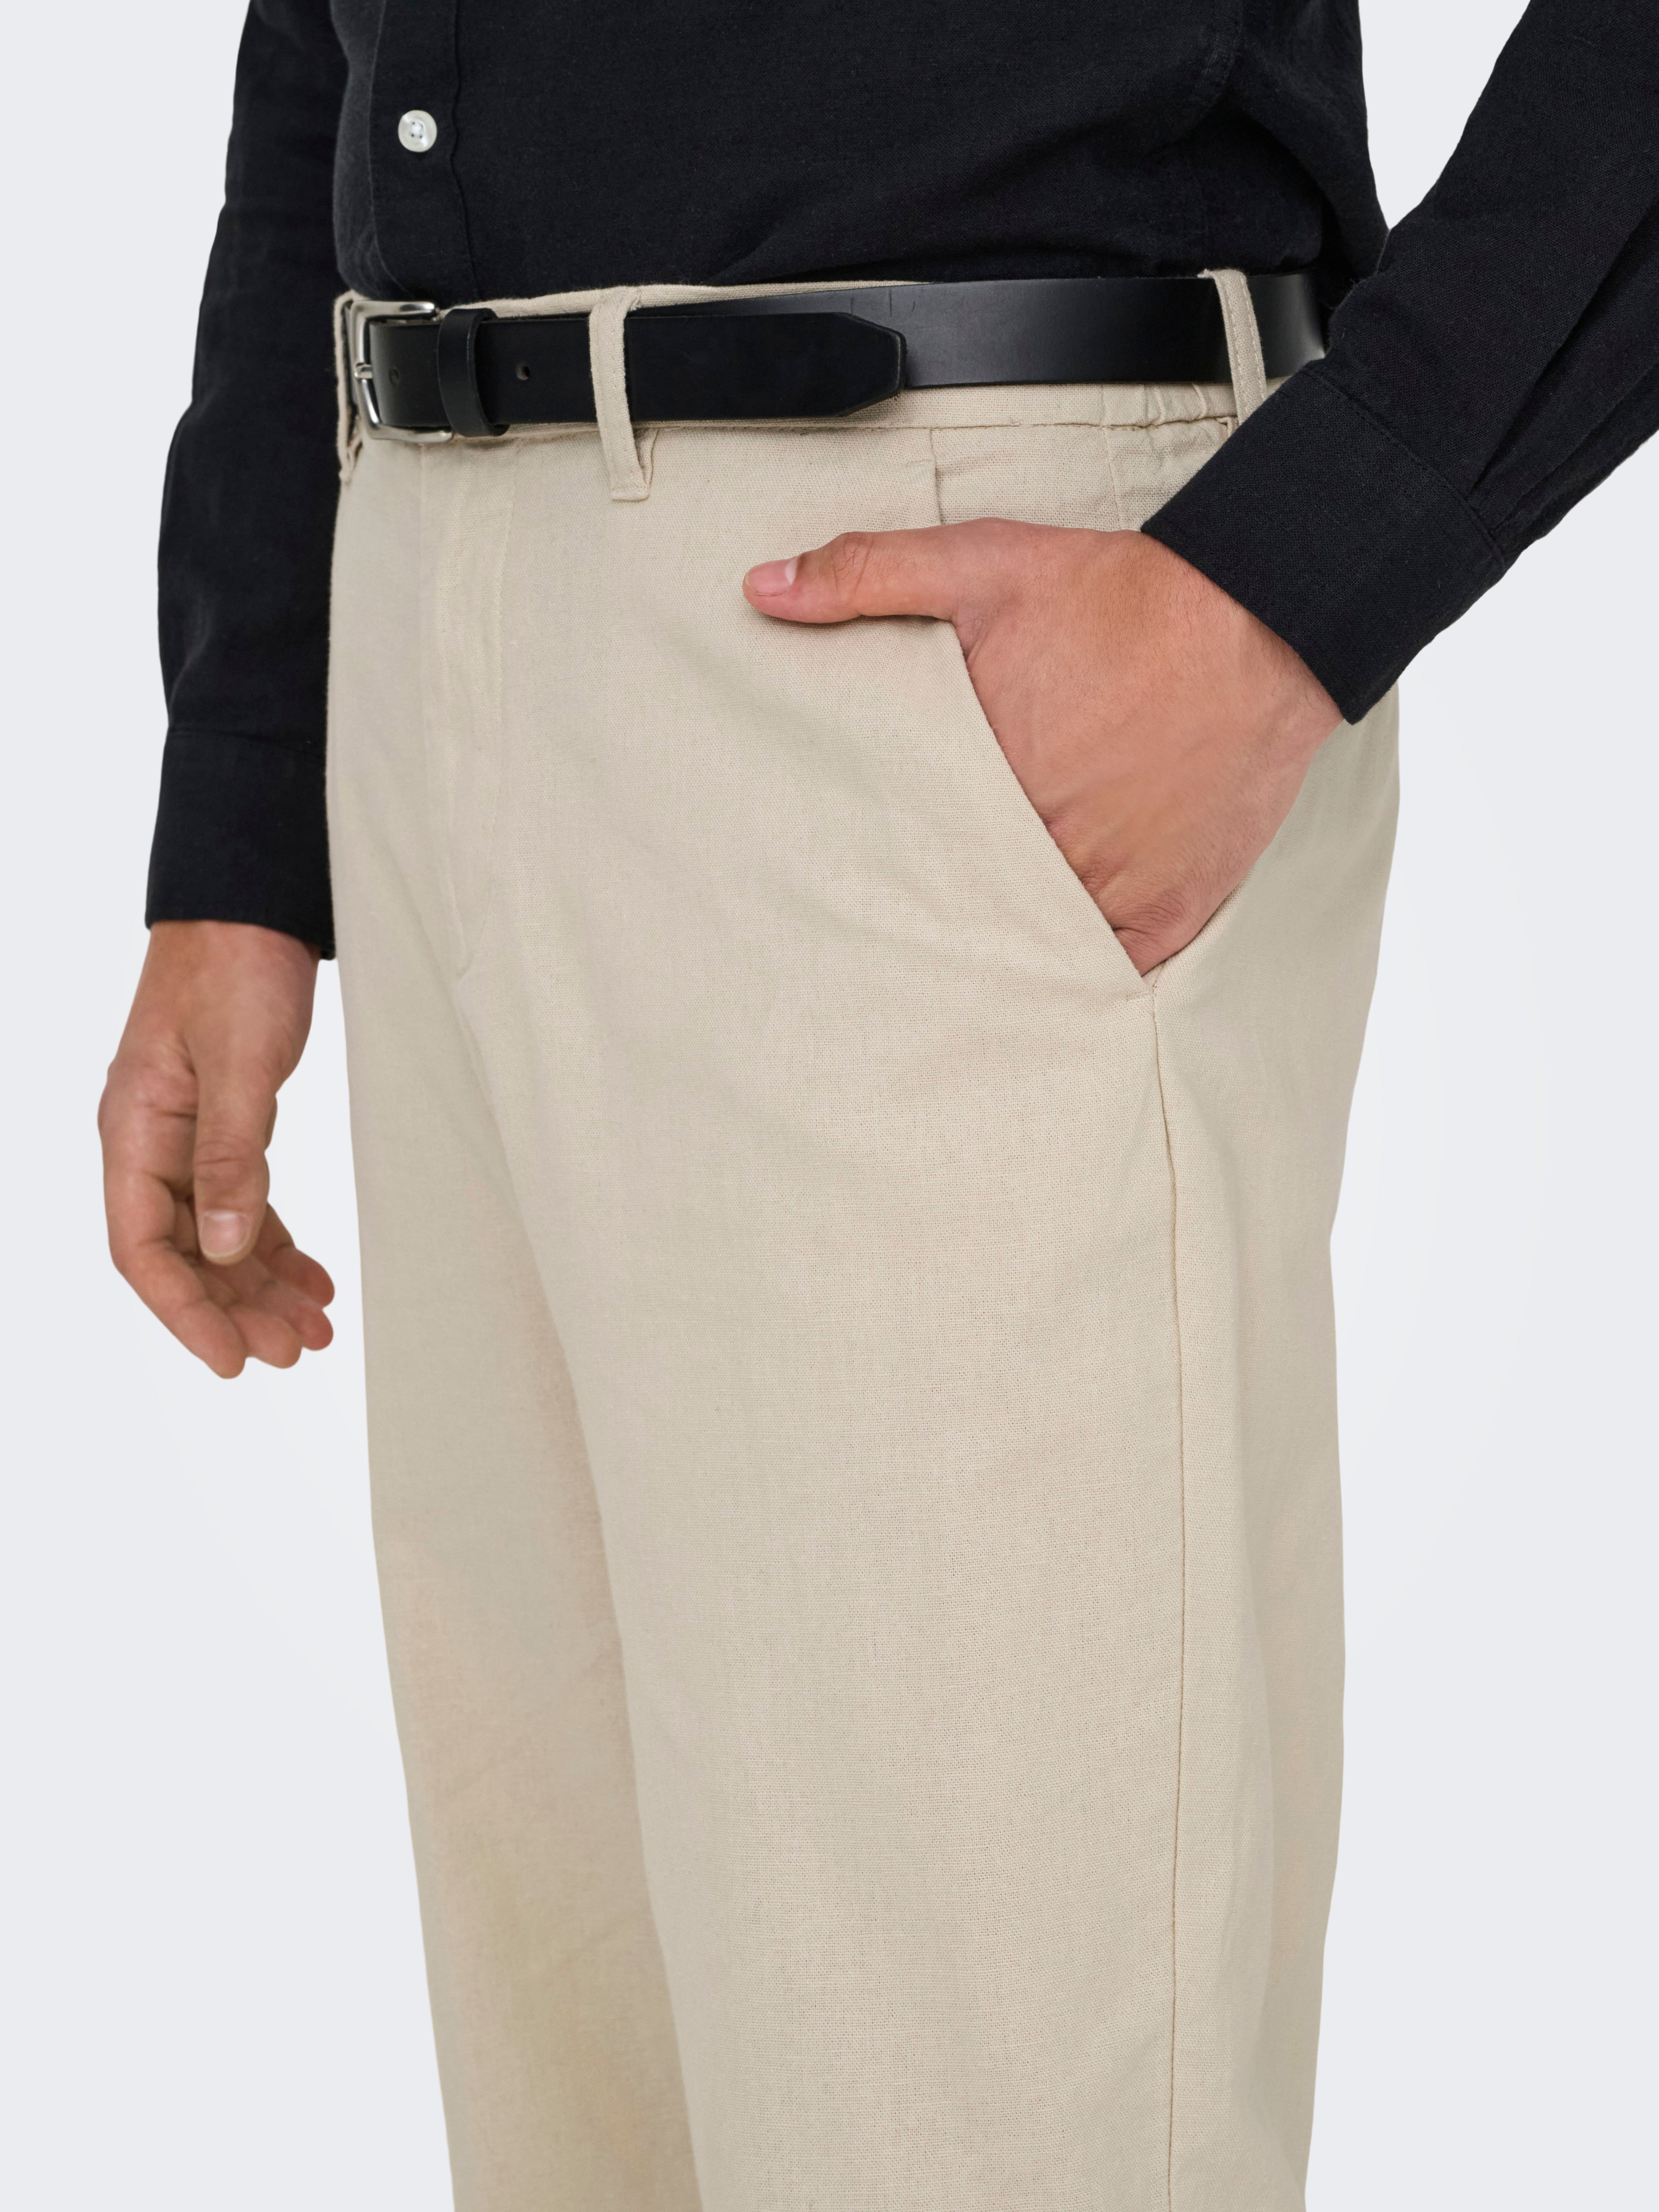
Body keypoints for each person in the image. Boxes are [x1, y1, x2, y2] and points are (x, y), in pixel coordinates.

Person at [97, 3, 1657, 2205]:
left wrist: (1317, 559)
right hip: (433, 588)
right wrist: (249, 807)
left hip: (944, 576)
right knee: (587, 2124)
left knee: (967, 2103)